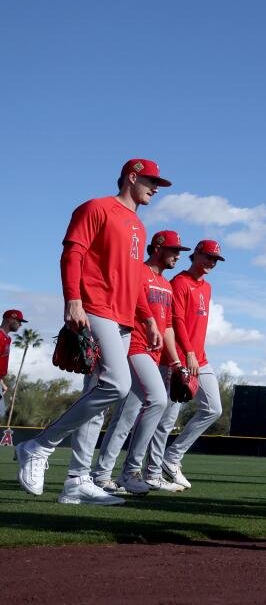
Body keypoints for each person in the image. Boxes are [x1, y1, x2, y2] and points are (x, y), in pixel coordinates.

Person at [16, 159, 168, 505]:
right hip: (95, 307)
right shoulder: (96, 208)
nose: (156, 187)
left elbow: (132, 279)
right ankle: (39, 445)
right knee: (117, 384)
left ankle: (76, 482)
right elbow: (73, 253)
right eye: (151, 180)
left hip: (126, 317)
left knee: (98, 400)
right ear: (132, 177)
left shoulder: (138, 225)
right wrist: (73, 299)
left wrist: (147, 318)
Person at [91, 230, 188, 495]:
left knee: (127, 414)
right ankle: (129, 471)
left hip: (154, 355)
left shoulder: (166, 285)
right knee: (157, 400)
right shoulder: (137, 272)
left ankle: (103, 475)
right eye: (174, 250)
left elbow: (167, 327)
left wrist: (177, 362)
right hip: (134, 346)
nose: (178, 256)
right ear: (157, 247)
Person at [144, 239, 226, 490]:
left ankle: (172, 457)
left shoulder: (207, 287)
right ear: (196, 255)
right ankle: (152, 472)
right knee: (167, 419)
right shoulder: (178, 283)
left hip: (200, 358)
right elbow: (175, 320)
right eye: (208, 257)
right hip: (177, 358)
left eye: (215, 259)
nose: (211, 262)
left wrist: (195, 353)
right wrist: (187, 353)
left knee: (213, 409)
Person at [1, 309, 28, 421]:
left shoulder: (7, 338)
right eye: (18, 321)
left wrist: (1, 382)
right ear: (10, 319)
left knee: (1, 414)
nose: (21, 324)